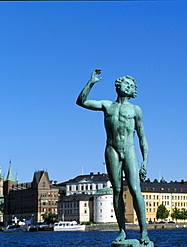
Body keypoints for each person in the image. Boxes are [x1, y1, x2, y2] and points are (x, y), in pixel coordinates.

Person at [76, 69, 150, 244]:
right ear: (118, 87)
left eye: (131, 85)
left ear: (133, 91)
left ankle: (144, 232)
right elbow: (81, 101)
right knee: (116, 191)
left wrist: (145, 161)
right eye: (126, 83)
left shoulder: (135, 110)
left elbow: (142, 137)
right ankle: (122, 231)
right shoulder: (107, 106)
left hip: (129, 150)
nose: (128, 86)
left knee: (134, 189)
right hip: (112, 150)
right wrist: (91, 82)